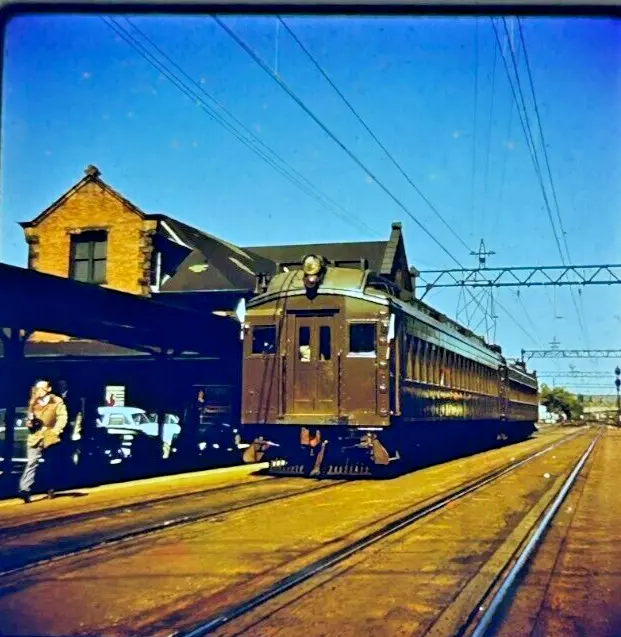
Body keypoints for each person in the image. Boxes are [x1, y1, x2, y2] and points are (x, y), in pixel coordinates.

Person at [18, 379, 68, 503]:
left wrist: (57, 430)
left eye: (42, 388)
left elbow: (62, 417)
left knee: (50, 464)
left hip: (50, 435)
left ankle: (50, 487)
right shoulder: (33, 402)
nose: (39, 391)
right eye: (37, 388)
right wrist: (29, 423)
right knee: (31, 462)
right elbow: (29, 417)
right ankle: (25, 490)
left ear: (49, 389)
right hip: (35, 436)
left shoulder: (57, 401)